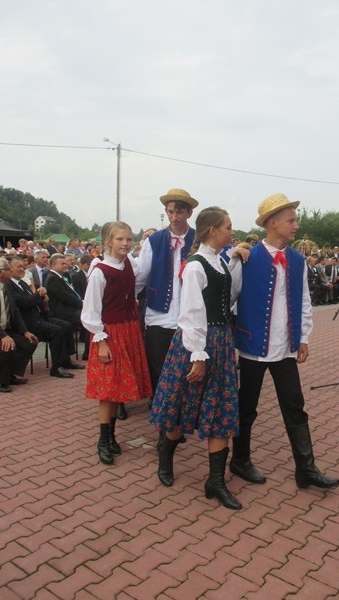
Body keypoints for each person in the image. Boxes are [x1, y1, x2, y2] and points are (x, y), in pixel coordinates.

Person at [230, 193, 339, 490]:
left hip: (285, 348)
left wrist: (303, 336)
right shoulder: (246, 258)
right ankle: (239, 460)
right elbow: (230, 299)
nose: (296, 225)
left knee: (295, 406)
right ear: (272, 223)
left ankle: (306, 470)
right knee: (246, 407)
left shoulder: (297, 260)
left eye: (295, 220)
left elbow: (304, 300)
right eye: (291, 220)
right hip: (253, 348)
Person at [150, 207, 247, 510]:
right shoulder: (195, 266)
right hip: (198, 344)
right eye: (228, 227)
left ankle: (215, 481)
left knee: (221, 410)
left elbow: (226, 299)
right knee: (183, 407)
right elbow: (190, 315)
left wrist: (236, 259)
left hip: (221, 341)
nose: (232, 231)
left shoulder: (219, 260)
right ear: (212, 231)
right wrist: (198, 356)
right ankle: (165, 454)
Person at [81, 221, 152, 465]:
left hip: (129, 329)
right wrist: (101, 341)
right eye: (120, 239)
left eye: (128, 239)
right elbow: (90, 312)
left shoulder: (129, 263)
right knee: (108, 389)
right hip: (109, 333)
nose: (125, 243)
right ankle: (102, 440)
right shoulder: (100, 271)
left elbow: (133, 291)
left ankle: (111, 435)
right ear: (108, 241)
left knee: (118, 388)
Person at [137, 188, 198, 412]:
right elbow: (141, 276)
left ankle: (181, 407)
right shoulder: (154, 241)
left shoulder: (198, 240)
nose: (174, 217)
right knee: (157, 363)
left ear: (189, 213)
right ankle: (158, 403)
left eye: (179, 212)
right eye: (170, 212)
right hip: (159, 314)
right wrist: (130, 303)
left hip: (189, 316)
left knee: (186, 365)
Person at [7, 256, 78, 379]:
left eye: (23, 266)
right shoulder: (9, 285)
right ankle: (56, 367)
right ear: (10, 269)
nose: (23, 268)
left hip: (40, 317)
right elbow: (23, 303)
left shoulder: (21, 283)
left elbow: (32, 299)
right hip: (28, 322)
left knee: (66, 325)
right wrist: (39, 294)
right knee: (56, 330)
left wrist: (43, 298)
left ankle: (65, 360)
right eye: (19, 266)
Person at [0, 257, 38, 392]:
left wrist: (25, 331)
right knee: (5, 347)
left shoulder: (6, 285)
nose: (10, 271)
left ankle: (9, 374)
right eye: (8, 269)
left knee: (29, 343)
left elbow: (14, 311)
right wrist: (2, 336)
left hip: (5, 329)